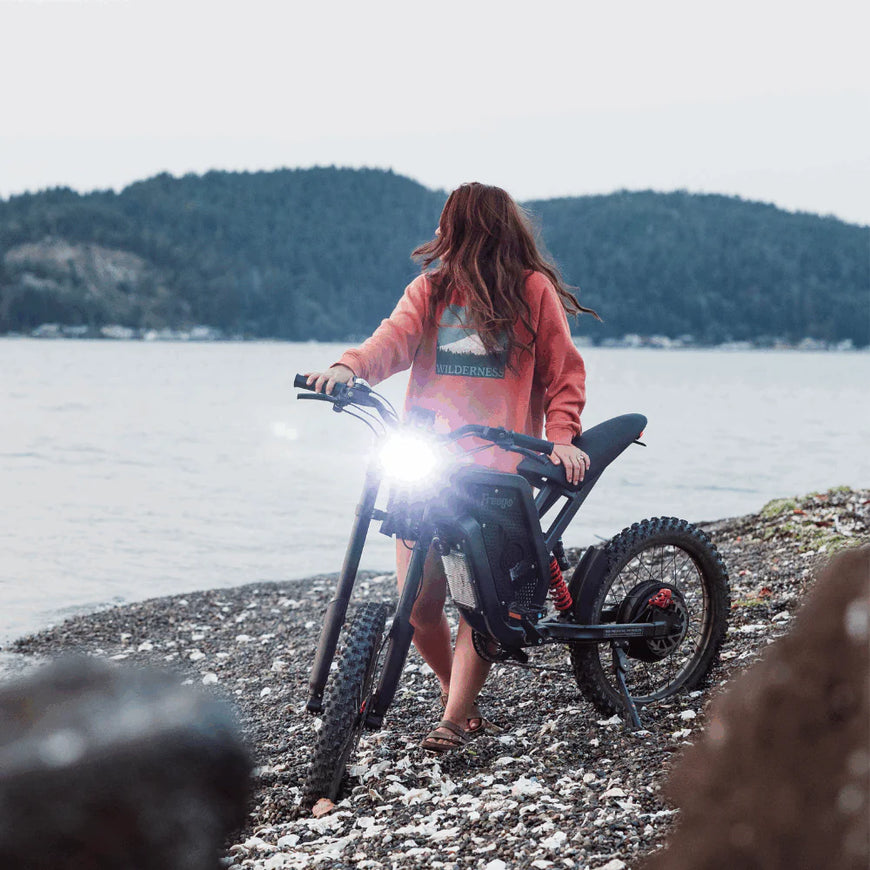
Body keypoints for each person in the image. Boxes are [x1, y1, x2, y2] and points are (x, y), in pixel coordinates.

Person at [305, 182, 596, 753]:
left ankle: (455, 717)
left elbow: (564, 374)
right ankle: (455, 699)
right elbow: (390, 341)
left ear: (467, 229)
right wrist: (348, 369)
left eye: (452, 225)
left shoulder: (531, 292)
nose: (445, 236)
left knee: (481, 604)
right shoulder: (431, 292)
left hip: (497, 475)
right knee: (418, 604)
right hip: (429, 466)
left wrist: (562, 438)